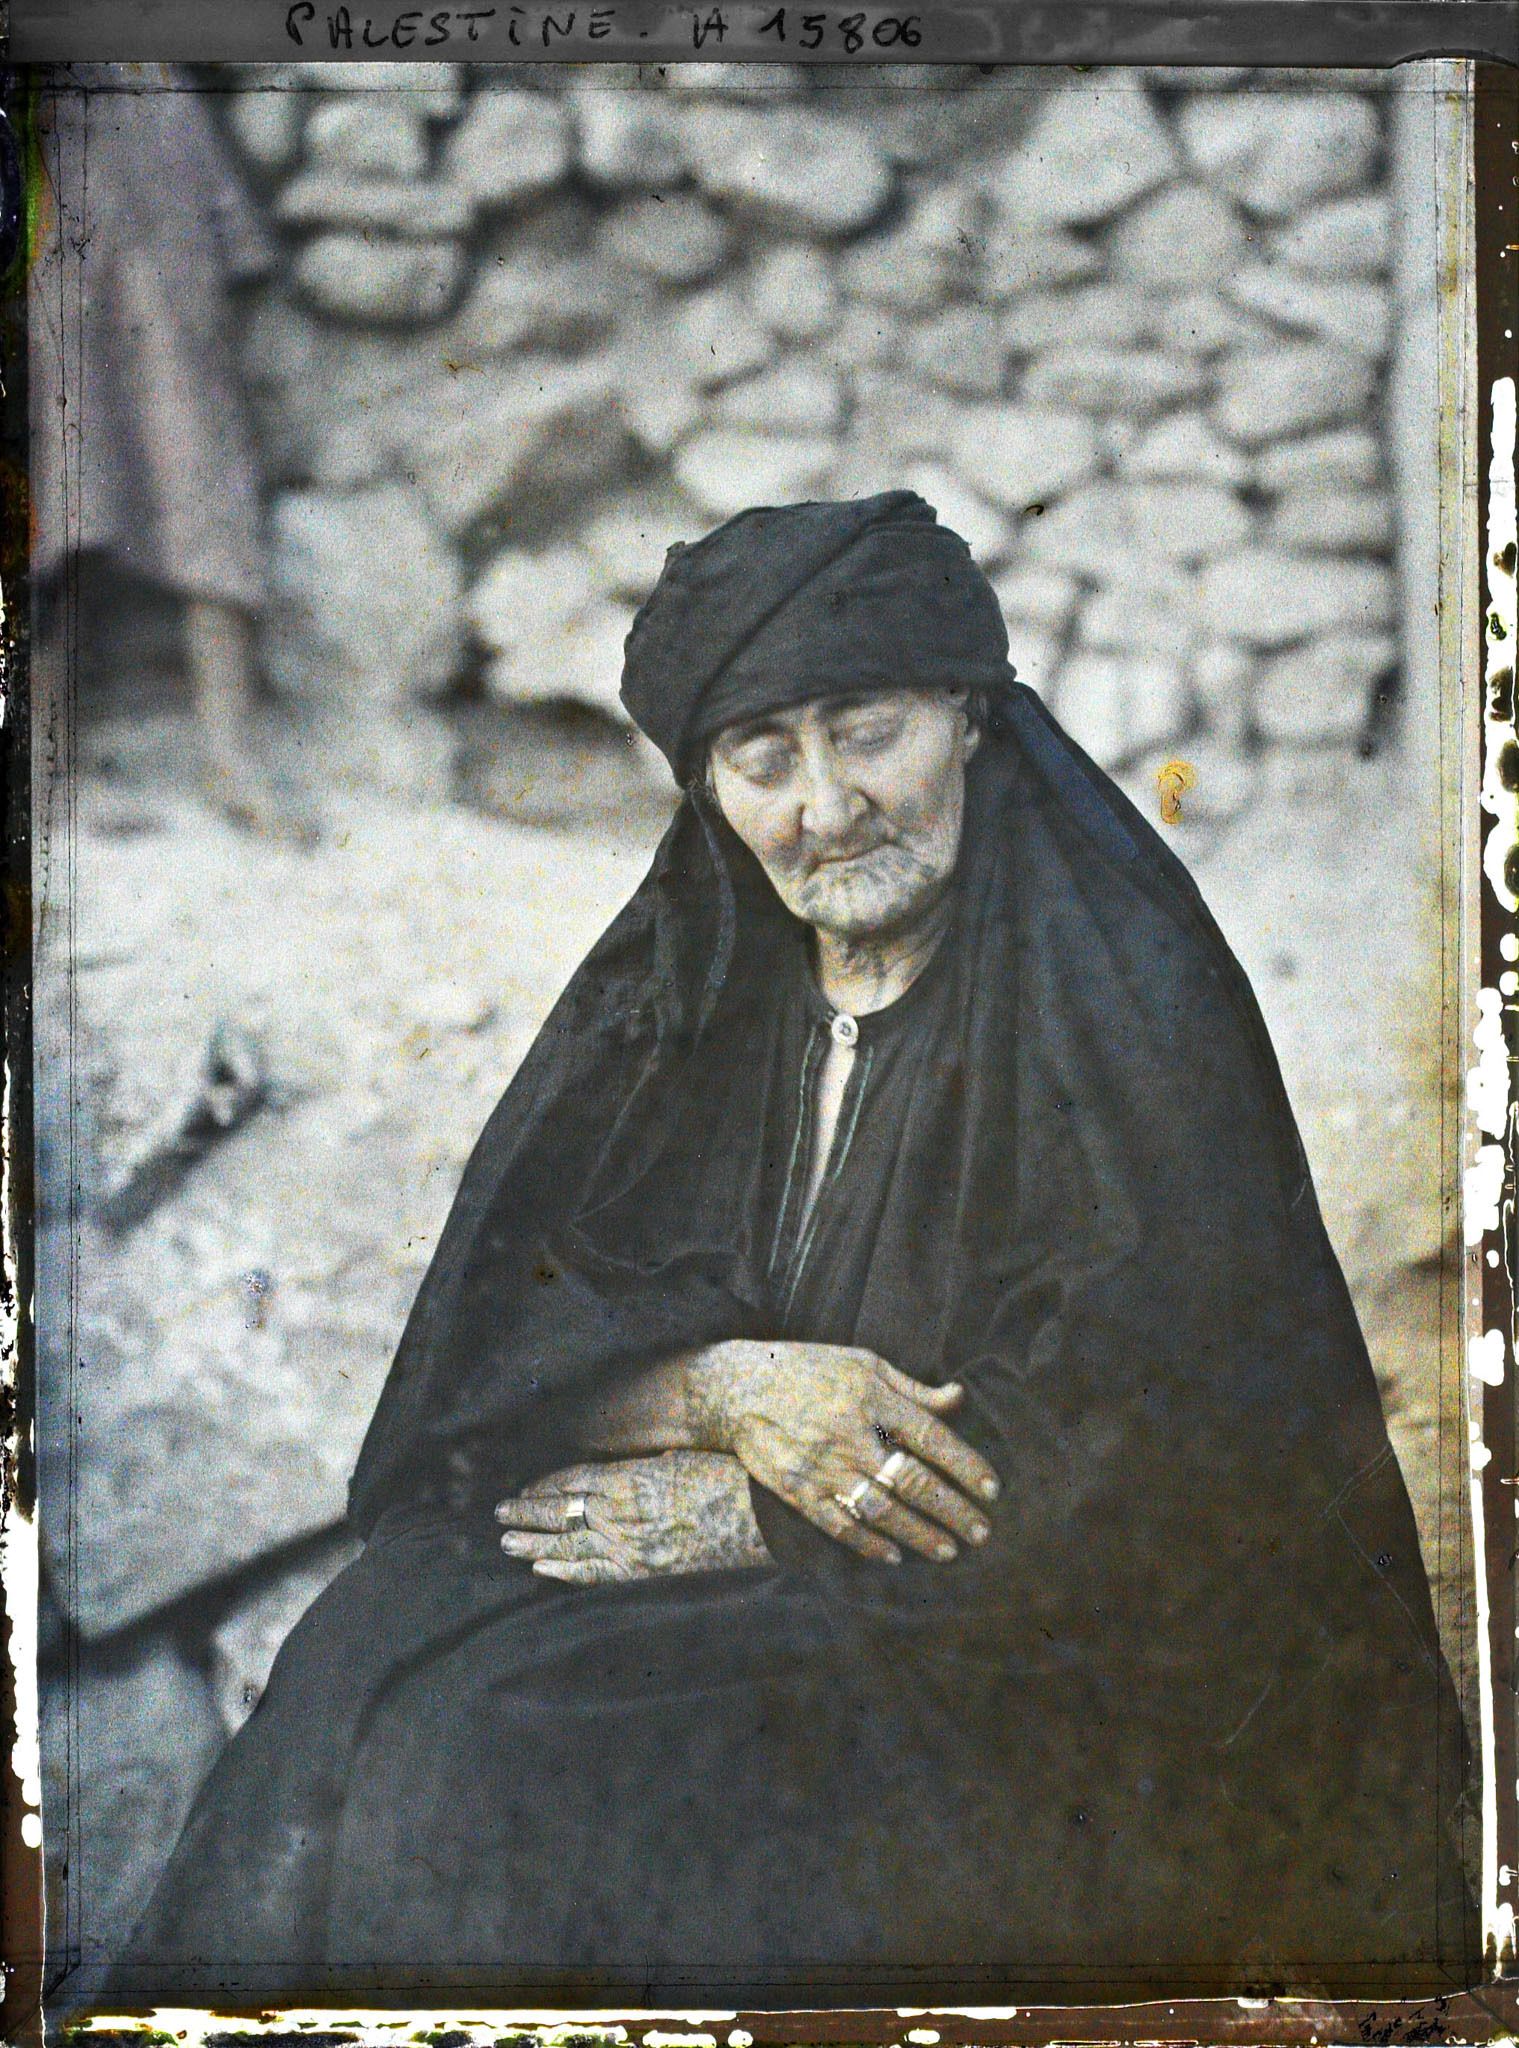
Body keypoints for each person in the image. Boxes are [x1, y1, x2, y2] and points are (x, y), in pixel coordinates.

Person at [113, 492, 1477, 2007]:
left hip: (1071, 1661)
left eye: (866, 730)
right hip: (799, 1574)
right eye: (765, 759)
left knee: (507, 1754)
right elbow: (498, 1351)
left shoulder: (1122, 991)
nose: (827, 806)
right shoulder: (697, 989)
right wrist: (717, 1395)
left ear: (966, 713)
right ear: (709, 791)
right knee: (371, 1643)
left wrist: (760, 1518)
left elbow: (1161, 1440)